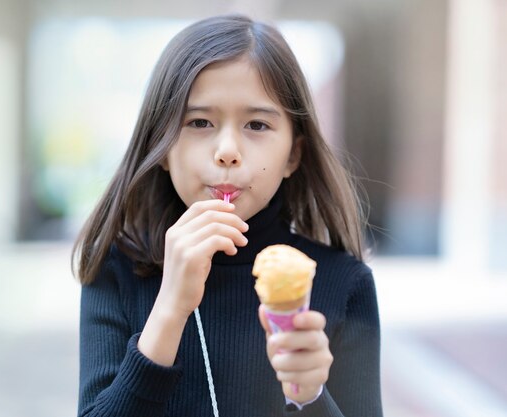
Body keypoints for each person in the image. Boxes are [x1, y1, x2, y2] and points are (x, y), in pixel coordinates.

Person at [73, 14, 382, 417]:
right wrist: (169, 310)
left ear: (293, 155)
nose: (227, 149)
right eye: (199, 122)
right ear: (162, 146)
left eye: (256, 124)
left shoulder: (343, 283)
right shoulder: (116, 272)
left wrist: (309, 395)